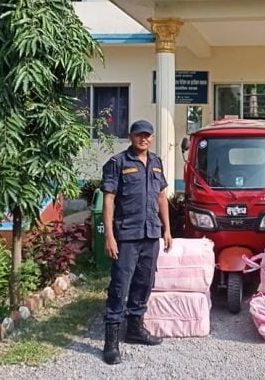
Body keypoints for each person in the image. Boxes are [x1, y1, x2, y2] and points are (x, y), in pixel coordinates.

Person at [100, 119, 173, 365]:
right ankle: (111, 342)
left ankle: (134, 330)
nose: (144, 139)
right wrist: (109, 235)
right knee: (120, 285)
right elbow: (109, 200)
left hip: (151, 234)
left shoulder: (156, 163)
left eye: (148, 135)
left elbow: (161, 197)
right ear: (130, 136)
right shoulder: (118, 163)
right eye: (139, 135)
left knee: (144, 282)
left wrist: (167, 230)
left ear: (152, 138)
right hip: (126, 235)